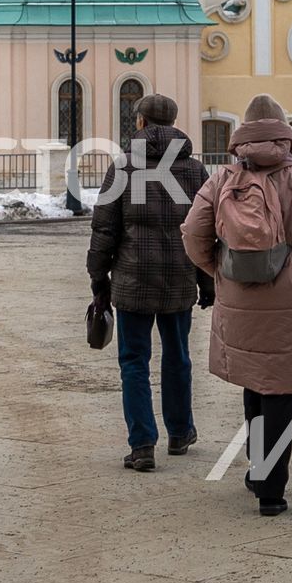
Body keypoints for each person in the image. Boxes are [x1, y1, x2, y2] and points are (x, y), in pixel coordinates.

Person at [181, 94, 292, 517]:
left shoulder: (222, 180)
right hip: (291, 295)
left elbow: (193, 234)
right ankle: (272, 488)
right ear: (286, 136)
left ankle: (258, 467)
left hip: (237, 293)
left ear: (243, 137)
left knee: (254, 378)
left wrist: (219, 267)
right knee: (281, 389)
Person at [86, 95, 204, 470]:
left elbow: (105, 228)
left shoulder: (123, 167)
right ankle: (180, 431)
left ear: (140, 123)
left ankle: (142, 445)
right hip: (180, 278)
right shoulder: (196, 172)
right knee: (178, 356)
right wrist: (210, 281)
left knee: (134, 361)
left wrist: (98, 277)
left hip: (132, 279)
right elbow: (206, 232)